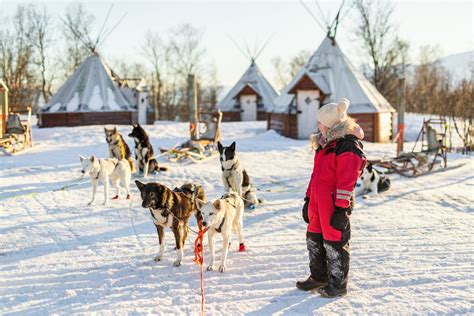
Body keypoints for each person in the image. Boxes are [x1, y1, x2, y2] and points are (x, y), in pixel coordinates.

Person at [296, 98, 366, 298]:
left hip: (334, 205)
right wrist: (308, 199)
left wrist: (342, 210)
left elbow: (347, 182)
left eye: (321, 123)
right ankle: (319, 276)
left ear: (332, 125)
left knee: (334, 242)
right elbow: (316, 175)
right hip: (317, 203)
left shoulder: (347, 147)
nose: (318, 126)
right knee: (314, 239)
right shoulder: (324, 144)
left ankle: (337, 284)